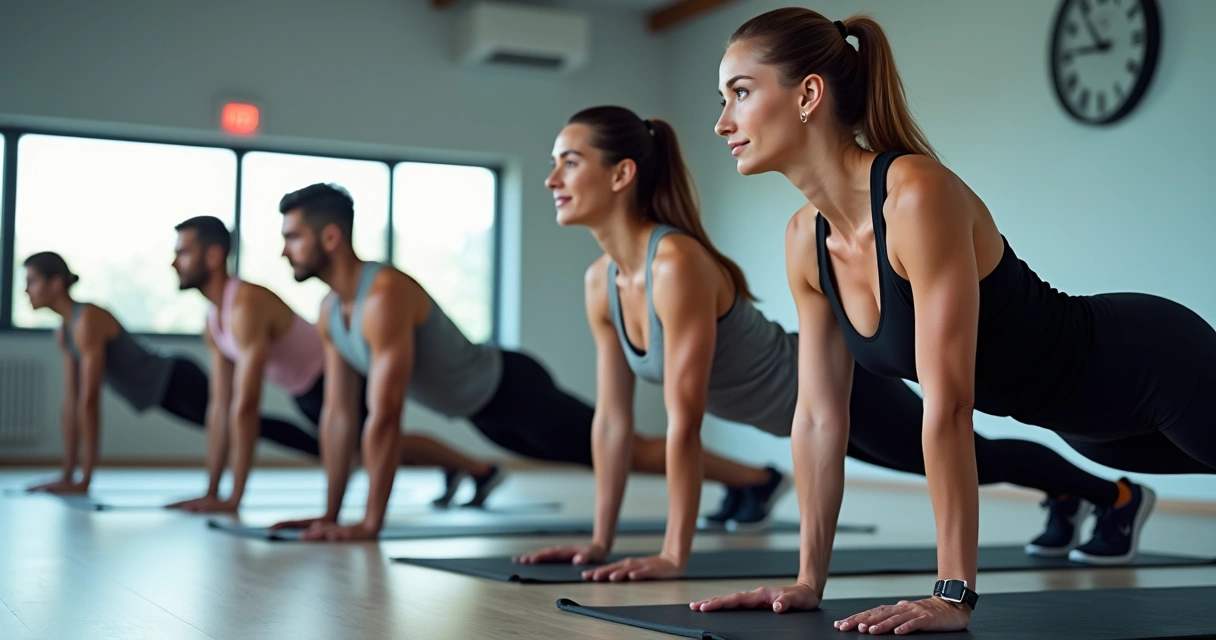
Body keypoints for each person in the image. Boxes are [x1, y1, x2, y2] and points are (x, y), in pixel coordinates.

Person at [692, 8, 1216, 634]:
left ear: (807, 93)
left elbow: (949, 407)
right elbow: (818, 417)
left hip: (1151, 368)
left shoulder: (915, 194)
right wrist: (809, 581)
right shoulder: (804, 240)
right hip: (1090, 430)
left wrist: (953, 593)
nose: (723, 121)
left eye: (740, 93)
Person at [521, 105, 1147, 582]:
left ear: (622, 173)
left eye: (569, 161)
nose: (552, 177)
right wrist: (599, 542)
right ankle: (1074, 494)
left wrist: (671, 555)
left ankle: (1115, 495)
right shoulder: (600, 283)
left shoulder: (674, 265)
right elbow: (613, 422)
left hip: (838, 392)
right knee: (965, 464)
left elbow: (683, 427)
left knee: (971, 463)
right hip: (801, 417)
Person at [270, 182, 781, 541]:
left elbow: (383, 417)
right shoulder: (328, 312)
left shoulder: (382, 294)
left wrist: (368, 525)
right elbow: (340, 417)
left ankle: (759, 479)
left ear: (330, 237)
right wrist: (330, 514)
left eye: (293, 236)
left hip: (513, 391)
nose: (285, 250)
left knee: (620, 450)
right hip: (486, 412)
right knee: (607, 454)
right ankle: (747, 483)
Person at [168, 215, 505, 513]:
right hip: (304, 391)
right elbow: (220, 407)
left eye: (182, 252)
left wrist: (232, 500)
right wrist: (212, 492)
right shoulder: (214, 319)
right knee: (359, 449)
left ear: (213, 256)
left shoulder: (246, 304)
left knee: (370, 444)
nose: (173, 263)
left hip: (331, 376)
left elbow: (245, 407)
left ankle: (479, 469)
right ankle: (464, 468)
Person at [19, 251, 312, 497]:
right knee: (245, 423)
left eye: (32, 281)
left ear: (56, 284)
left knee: (248, 422)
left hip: (175, 378)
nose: (26, 290)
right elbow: (72, 401)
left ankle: (327, 449)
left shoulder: (87, 321)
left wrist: (84, 481)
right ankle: (329, 448)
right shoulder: (64, 331)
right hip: (160, 390)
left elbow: (89, 400)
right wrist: (68, 475)